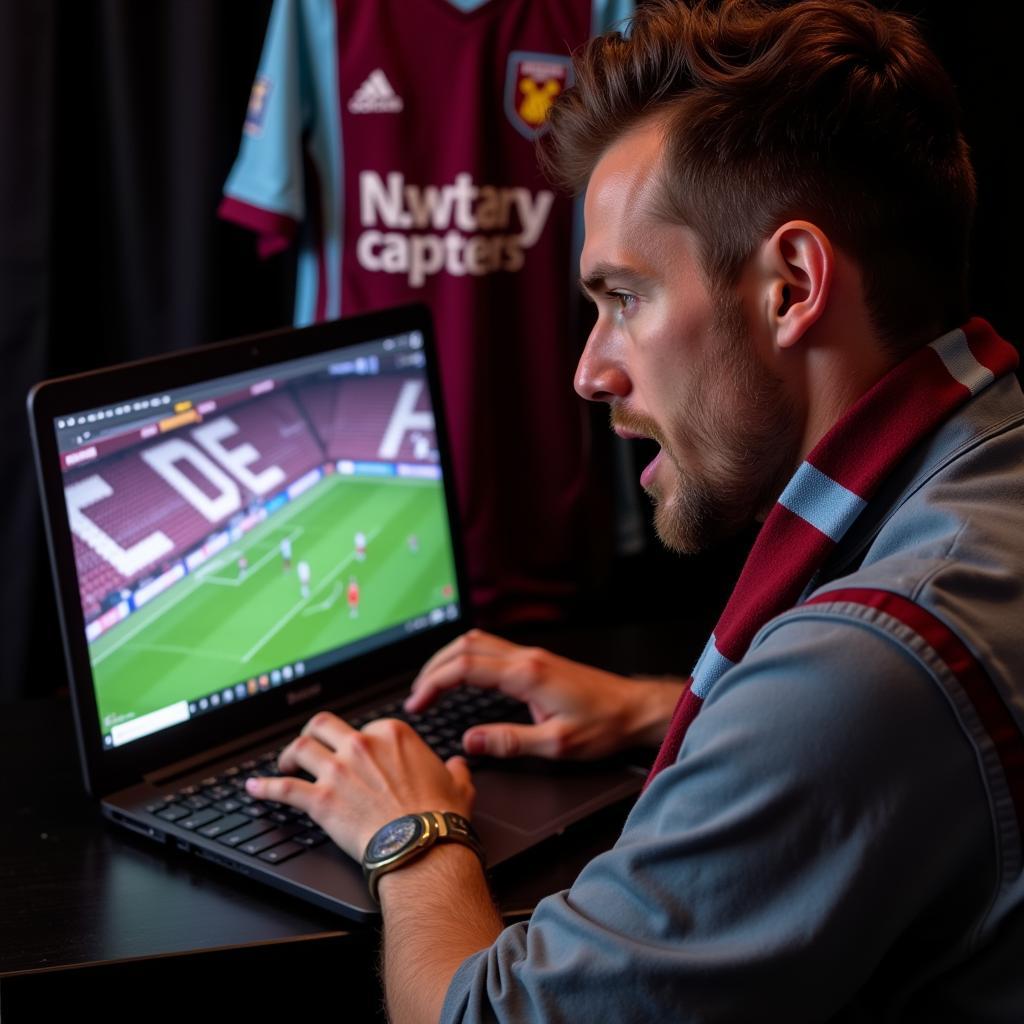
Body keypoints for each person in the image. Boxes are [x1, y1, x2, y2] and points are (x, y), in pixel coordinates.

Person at [244, 2, 1024, 1020]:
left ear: (791, 287)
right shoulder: (988, 455)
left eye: (624, 297)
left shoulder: (862, 670)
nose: (589, 369)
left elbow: (480, 1016)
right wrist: (659, 706)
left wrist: (410, 831)